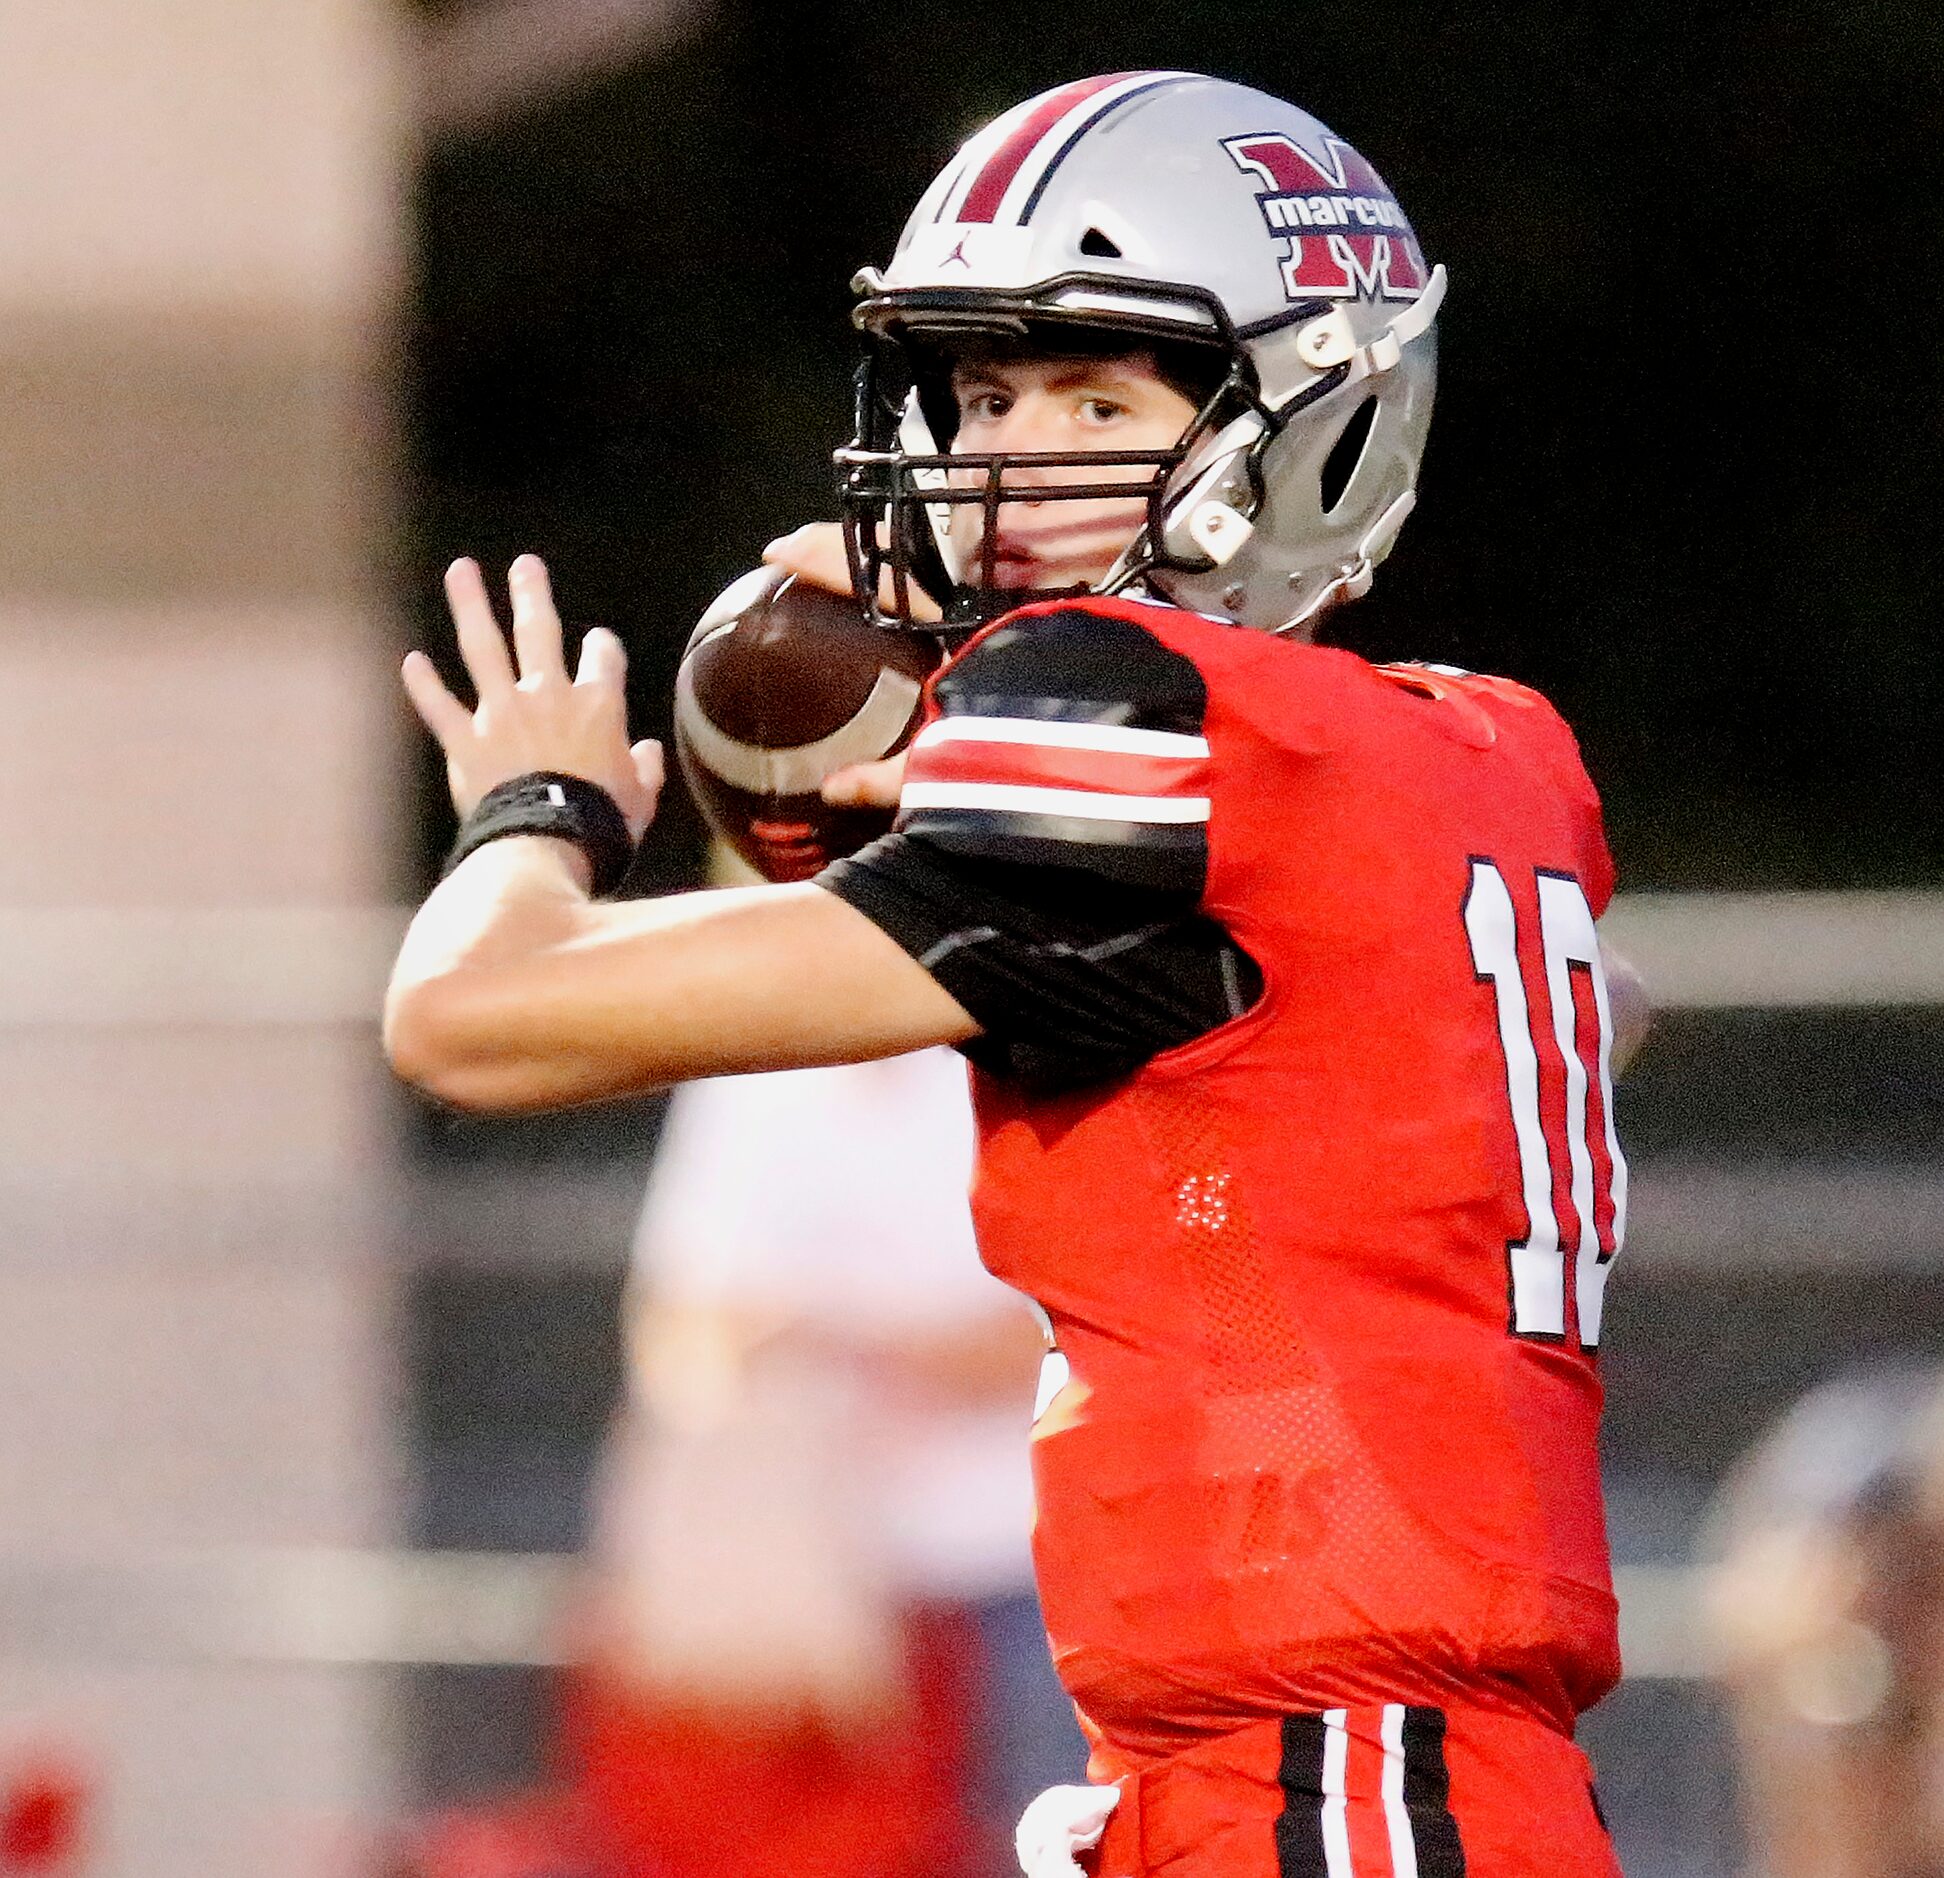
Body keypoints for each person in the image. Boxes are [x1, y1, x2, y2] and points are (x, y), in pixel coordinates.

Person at [386, 73, 1650, 1878]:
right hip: (1318, 1762)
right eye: (983, 393)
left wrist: (541, 803)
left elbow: (469, 1015)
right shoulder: (1484, 750)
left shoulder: (1145, 745)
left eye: (1095, 393)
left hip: (1337, 1791)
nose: (1008, 455)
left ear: (1314, 419)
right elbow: (1247, 1208)